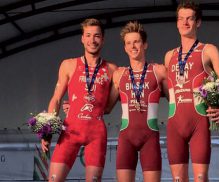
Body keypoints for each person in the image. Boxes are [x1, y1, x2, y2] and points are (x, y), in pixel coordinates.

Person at [41, 18, 117, 182]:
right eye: (88, 35)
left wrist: (84, 106)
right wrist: (47, 131)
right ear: (82, 38)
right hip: (70, 131)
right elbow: (56, 99)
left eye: (97, 36)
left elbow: (108, 108)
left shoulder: (112, 69)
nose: (92, 40)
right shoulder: (68, 65)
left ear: (103, 39)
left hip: (96, 134)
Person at [164, 2, 219, 182]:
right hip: (174, 125)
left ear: (198, 22)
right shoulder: (169, 55)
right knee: (178, 179)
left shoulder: (208, 50)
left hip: (198, 125)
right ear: (176, 22)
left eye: (190, 18)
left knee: (201, 178)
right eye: (181, 19)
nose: (185, 23)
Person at [105, 21, 167, 182]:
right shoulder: (119, 74)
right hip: (126, 138)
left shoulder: (158, 71)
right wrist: (75, 107)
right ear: (125, 47)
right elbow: (106, 108)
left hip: (150, 138)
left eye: (137, 42)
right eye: (128, 43)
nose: (133, 46)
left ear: (145, 44)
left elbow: (177, 100)